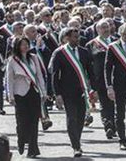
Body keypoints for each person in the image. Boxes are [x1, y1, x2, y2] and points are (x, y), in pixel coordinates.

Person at [49, 28, 91, 157]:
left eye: (78, 37)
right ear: (67, 38)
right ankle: (76, 146)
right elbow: (54, 75)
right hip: (66, 91)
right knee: (71, 117)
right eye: (74, 37)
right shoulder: (60, 53)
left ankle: (76, 139)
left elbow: (90, 72)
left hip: (82, 90)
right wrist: (57, 94)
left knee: (80, 118)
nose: (77, 39)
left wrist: (93, 89)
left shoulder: (84, 52)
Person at [6, 37, 46, 158]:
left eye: (27, 44)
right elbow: (9, 79)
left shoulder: (34, 57)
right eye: (22, 44)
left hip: (33, 92)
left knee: (34, 120)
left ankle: (33, 149)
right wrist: (10, 95)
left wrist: (43, 92)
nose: (25, 46)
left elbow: (39, 75)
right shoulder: (12, 60)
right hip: (20, 93)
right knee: (22, 121)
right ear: (17, 46)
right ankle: (21, 139)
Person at [85, 19, 117, 139]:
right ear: (97, 30)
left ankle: (115, 124)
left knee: (117, 103)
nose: (106, 29)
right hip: (100, 79)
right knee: (105, 103)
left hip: (116, 77)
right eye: (103, 27)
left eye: (107, 27)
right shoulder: (91, 45)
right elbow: (88, 65)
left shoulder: (116, 41)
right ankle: (107, 124)